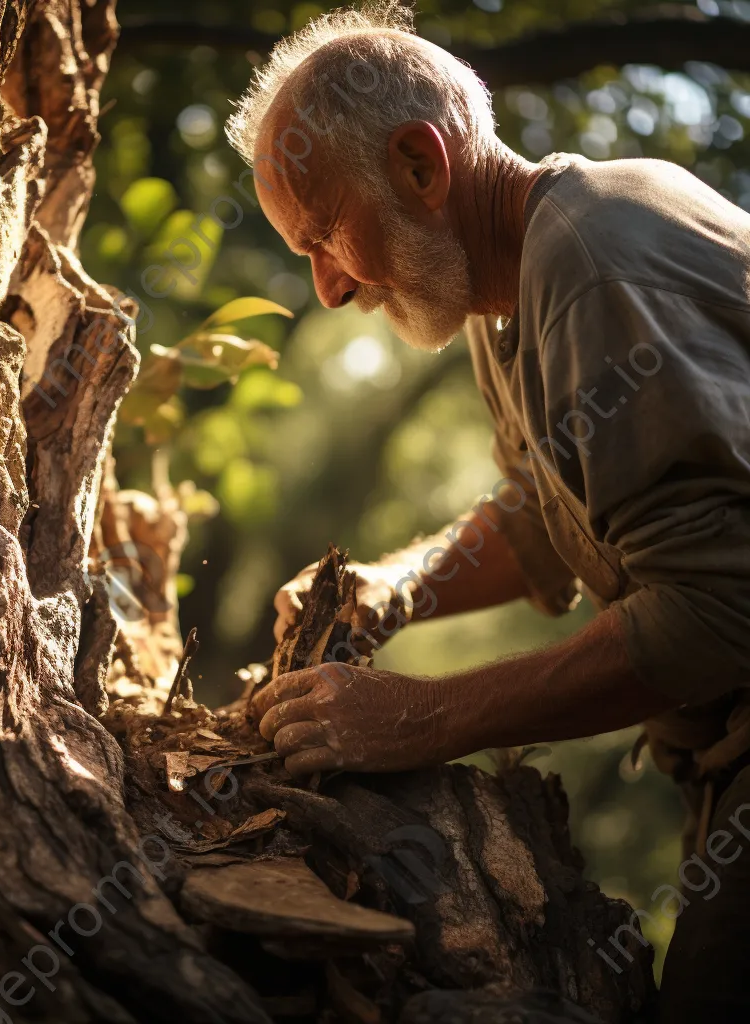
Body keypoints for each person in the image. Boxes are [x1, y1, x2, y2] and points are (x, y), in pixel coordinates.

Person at [225, 5, 750, 1020]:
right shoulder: (502, 278)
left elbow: (721, 608)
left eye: (324, 235)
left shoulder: (595, 260)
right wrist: (398, 587)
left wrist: (420, 715)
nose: (326, 287)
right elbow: (554, 513)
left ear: (422, 167)